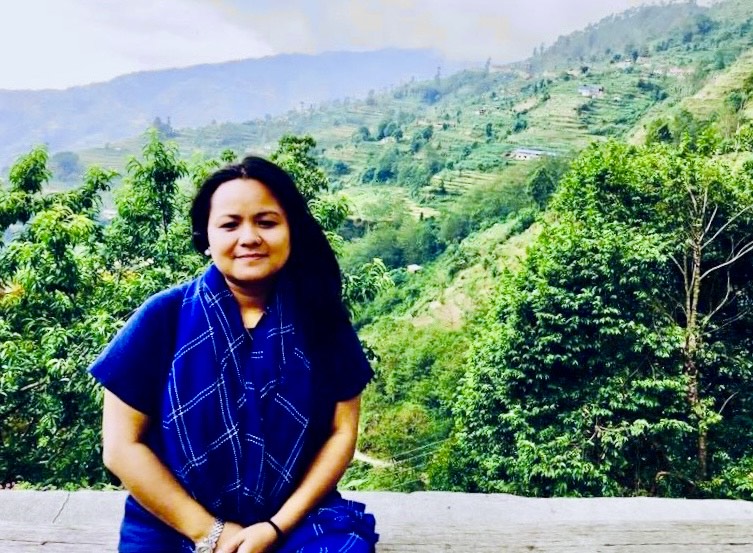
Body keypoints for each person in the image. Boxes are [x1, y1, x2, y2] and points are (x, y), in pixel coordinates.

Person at [89, 156, 378, 553]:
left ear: (291, 230)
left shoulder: (321, 318)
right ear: (205, 238)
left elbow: (341, 432)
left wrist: (275, 528)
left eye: (266, 222)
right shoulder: (164, 316)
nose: (249, 237)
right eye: (229, 224)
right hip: (171, 521)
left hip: (294, 518)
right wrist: (210, 533)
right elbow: (121, 446)